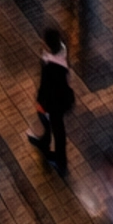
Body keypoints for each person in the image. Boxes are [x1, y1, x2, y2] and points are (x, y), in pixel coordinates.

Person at [28, 25, 73, 173]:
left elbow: (46, 87)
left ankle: (60, 161)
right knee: (53, 126)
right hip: (60, 99)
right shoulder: (61, 52)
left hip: (55, 103)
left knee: (56, 129)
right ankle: (47, 145)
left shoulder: (51, 66)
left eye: (44, 42)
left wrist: (41, 103)